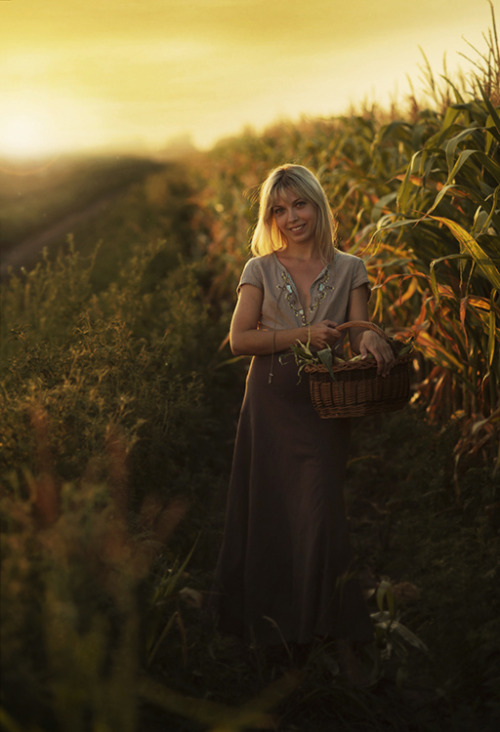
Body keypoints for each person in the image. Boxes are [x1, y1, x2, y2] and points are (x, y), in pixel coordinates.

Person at [210, 164, 395, 663]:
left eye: (300, 204)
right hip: (270, 406)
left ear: (317, 205)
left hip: (325, 408)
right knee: (269, 511)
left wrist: (371, 334)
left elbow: (357, 331)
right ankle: (273, 631)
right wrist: (302, 336)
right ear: (270, 216)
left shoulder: (352, 266)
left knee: (320, 512)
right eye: (279, 209)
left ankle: (318, 628)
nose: (291, 217)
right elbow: (239, 339)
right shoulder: (260, 269)